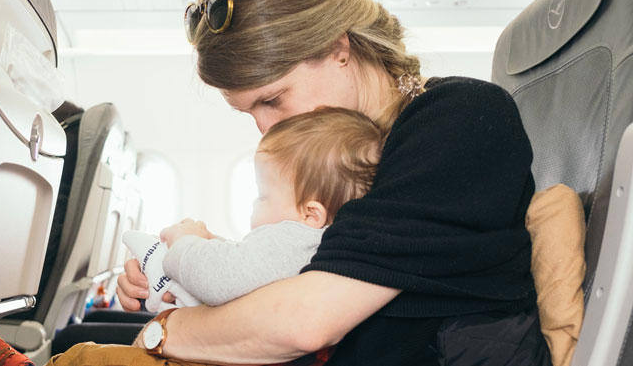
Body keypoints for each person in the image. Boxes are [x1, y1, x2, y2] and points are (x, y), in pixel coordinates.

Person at [107, 0, 549, 364]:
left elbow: (304, 322)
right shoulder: (340, 157)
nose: (264, 131)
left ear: (339, 50)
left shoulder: (460, 119)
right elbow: (316, 264)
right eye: (249, 113)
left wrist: (167, 330)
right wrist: (183, 272)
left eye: (273, 99)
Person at [46, 107, 383, 366]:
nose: (255, 206)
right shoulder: (314, 245)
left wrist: (186, 241)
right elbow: (244, 274)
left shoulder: (295, 238)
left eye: (262, 197)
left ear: (311, 214)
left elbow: (220, 280)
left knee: (84, 358)